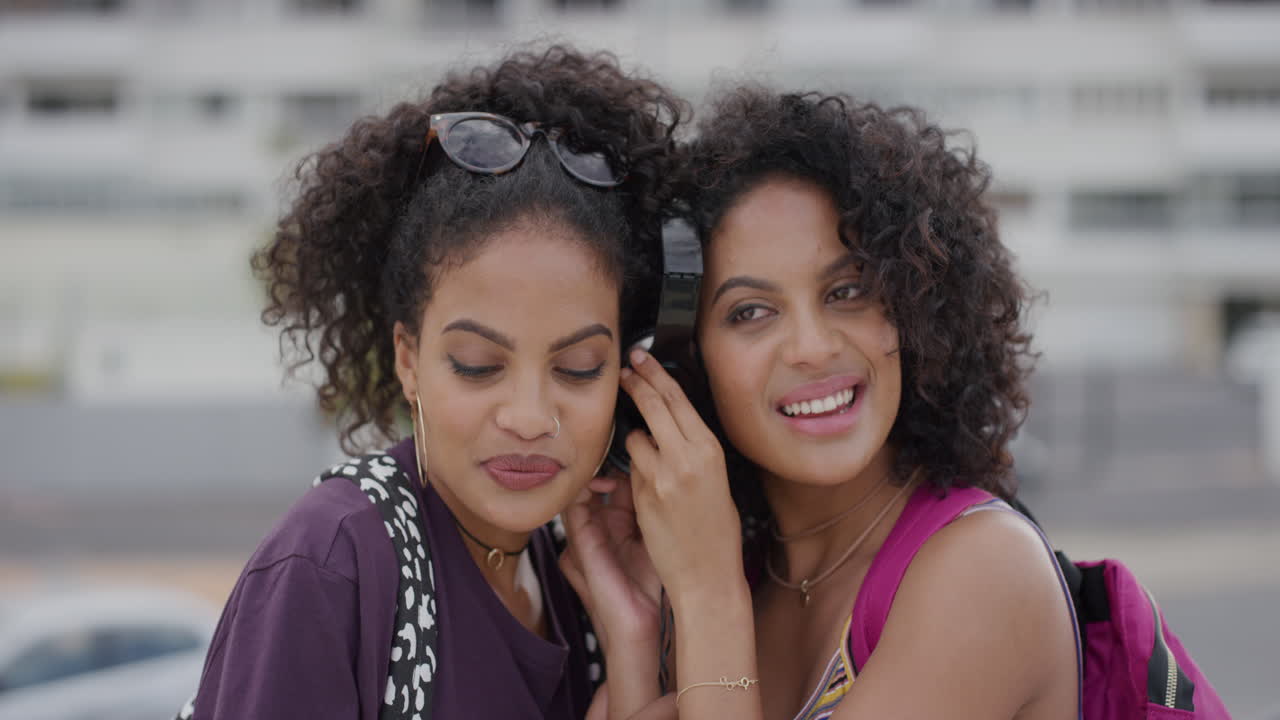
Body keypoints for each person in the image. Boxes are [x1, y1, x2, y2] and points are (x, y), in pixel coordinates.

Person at [182, 45, 683, 720]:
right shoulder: (333, 566)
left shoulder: (578, 580)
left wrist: (631, 642)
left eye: (577, 368)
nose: (531, 417)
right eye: (478, 364)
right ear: (408, 359)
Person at [564, 87, 1081, 719]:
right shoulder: (743, 578)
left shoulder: (982, 570)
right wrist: (637, 640)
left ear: (913, 306)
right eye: (751, 312)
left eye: (847, 291)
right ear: (682, 363)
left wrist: (706, 599)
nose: (812, 347)